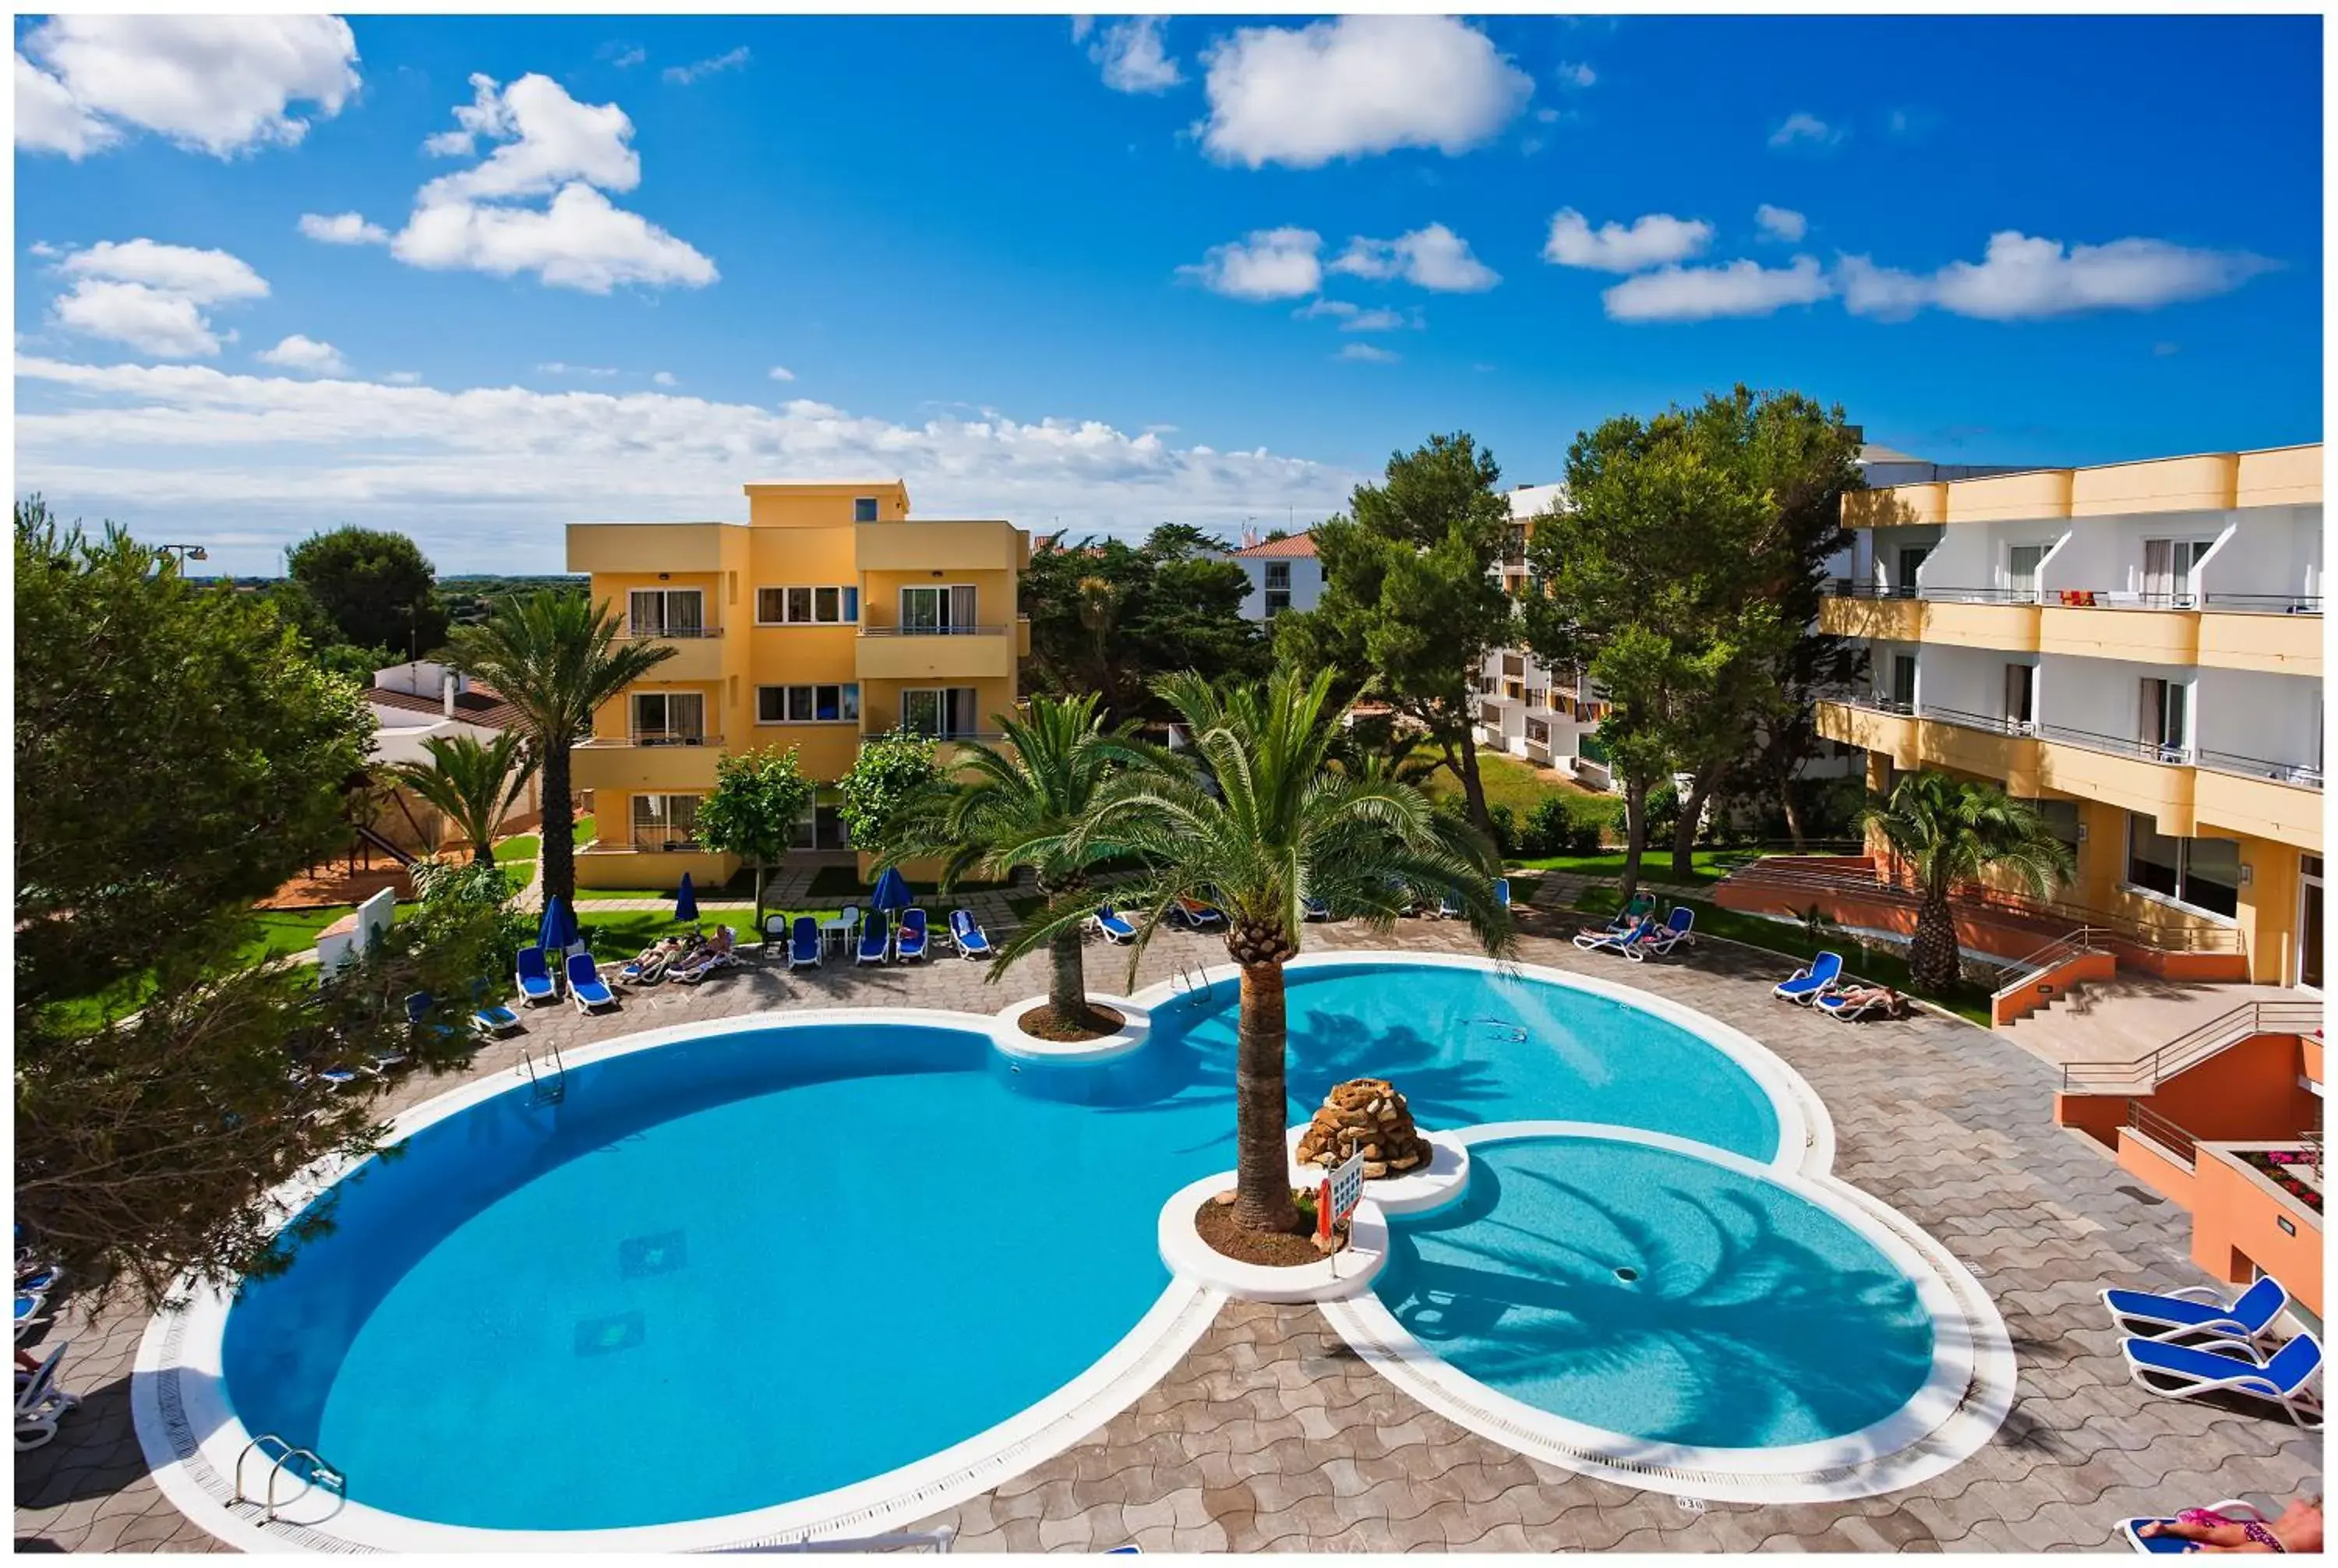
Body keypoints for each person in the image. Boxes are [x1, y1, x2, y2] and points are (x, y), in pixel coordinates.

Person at [2139, 1497, 2322, 1554]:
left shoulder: (2300, 1505)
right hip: (2274, 1547)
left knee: (2208, 1533)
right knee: (2231, 1554)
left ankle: (2165, 1528)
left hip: (2258, 1529)